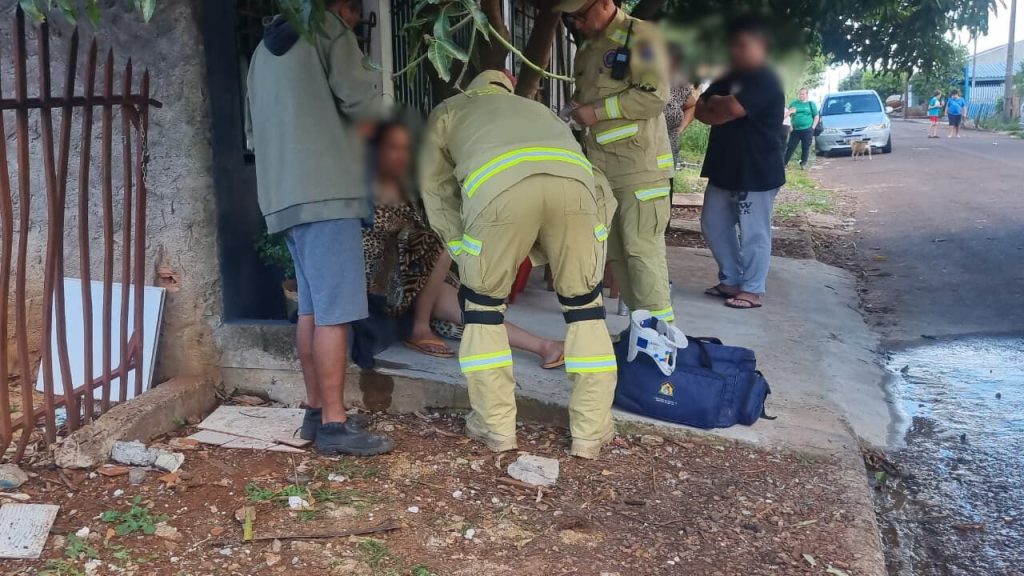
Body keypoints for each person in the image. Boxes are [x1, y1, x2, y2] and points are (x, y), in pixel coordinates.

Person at [420, 70, 618, 460]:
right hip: (575, 190)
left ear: (473, 88)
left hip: (500, 194)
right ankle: (591, 433)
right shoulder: (536, 109)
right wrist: (593, 233)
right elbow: (593, 174)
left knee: (482, 311)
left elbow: (435, 187)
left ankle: (496, 429)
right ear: (508, 88)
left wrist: (461, 245)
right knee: (585, 311)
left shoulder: (449, 110)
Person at [246, 0, 394, 456]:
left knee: (312, 308)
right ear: (341, 6)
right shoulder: (328, 29)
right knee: (336, 313)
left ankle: (315, 412)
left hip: (283, 195)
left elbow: (252, 131)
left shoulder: (260, 52)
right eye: (355, 12)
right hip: (327, 191)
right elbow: (363, 103)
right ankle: (334, 423)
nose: (355, 20)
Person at [363, 121, 565, 368]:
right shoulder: (368, 187)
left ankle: (546, 347)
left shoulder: (411, 186)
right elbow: (379, 242)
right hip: (383, 277)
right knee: (442, 243)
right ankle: (419, 329)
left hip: (417, 278)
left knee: (467, 309)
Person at [560, 0, 677, 325]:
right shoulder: (587, 49)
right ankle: (640, 333)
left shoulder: (640, 36)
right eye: (571, 19)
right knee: (618, 258)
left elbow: (655, 96)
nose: (577, 24)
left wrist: (597, 112)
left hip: (640, 168)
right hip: (602, 170)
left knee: (643, 255)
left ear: (606, 3)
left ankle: (662, 343)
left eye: (581, 15)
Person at [694, 15, 785, 310]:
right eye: (732, 45)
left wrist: (721, 106)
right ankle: (731, 279)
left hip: (756, 170)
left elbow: (728, 109)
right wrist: (721, 107)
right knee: (712, 224)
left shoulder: (765, 78)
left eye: (742, 45)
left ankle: (752, 289)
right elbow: (700, 111)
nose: (734, 50)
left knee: (754, 232)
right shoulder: (728, 77)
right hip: (723, 167)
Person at [783, 87, 819, 169]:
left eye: (803, 94)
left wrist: (813, 127)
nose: (801, 95)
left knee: (805, 147)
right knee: (790, 146)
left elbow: (816, 116)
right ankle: (784, 163)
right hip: (795, 130)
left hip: (807, 129)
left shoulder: (811, 104)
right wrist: (790, 126)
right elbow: (788, 116)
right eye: (800, 94)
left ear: (807, 95)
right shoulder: (794, 104)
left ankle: (803, 163)